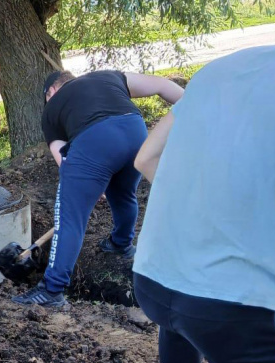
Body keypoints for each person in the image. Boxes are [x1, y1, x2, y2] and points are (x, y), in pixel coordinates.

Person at [132, 45, 275, 363]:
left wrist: (203, 215)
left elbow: (146, 158)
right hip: (243, 309)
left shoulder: (218, 70)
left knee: (182, 323)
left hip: (155, 275)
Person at [11, 68, 184, 307]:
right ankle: (121, 244)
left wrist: (86, 184)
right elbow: (162, 85)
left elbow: (63, 157)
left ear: (51, 91)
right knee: (123, 194)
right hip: (135, 131)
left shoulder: (51, 110)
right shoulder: (107, 77)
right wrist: (194, 105)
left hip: (95, 140)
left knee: (70, 215)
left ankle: (51, 290)